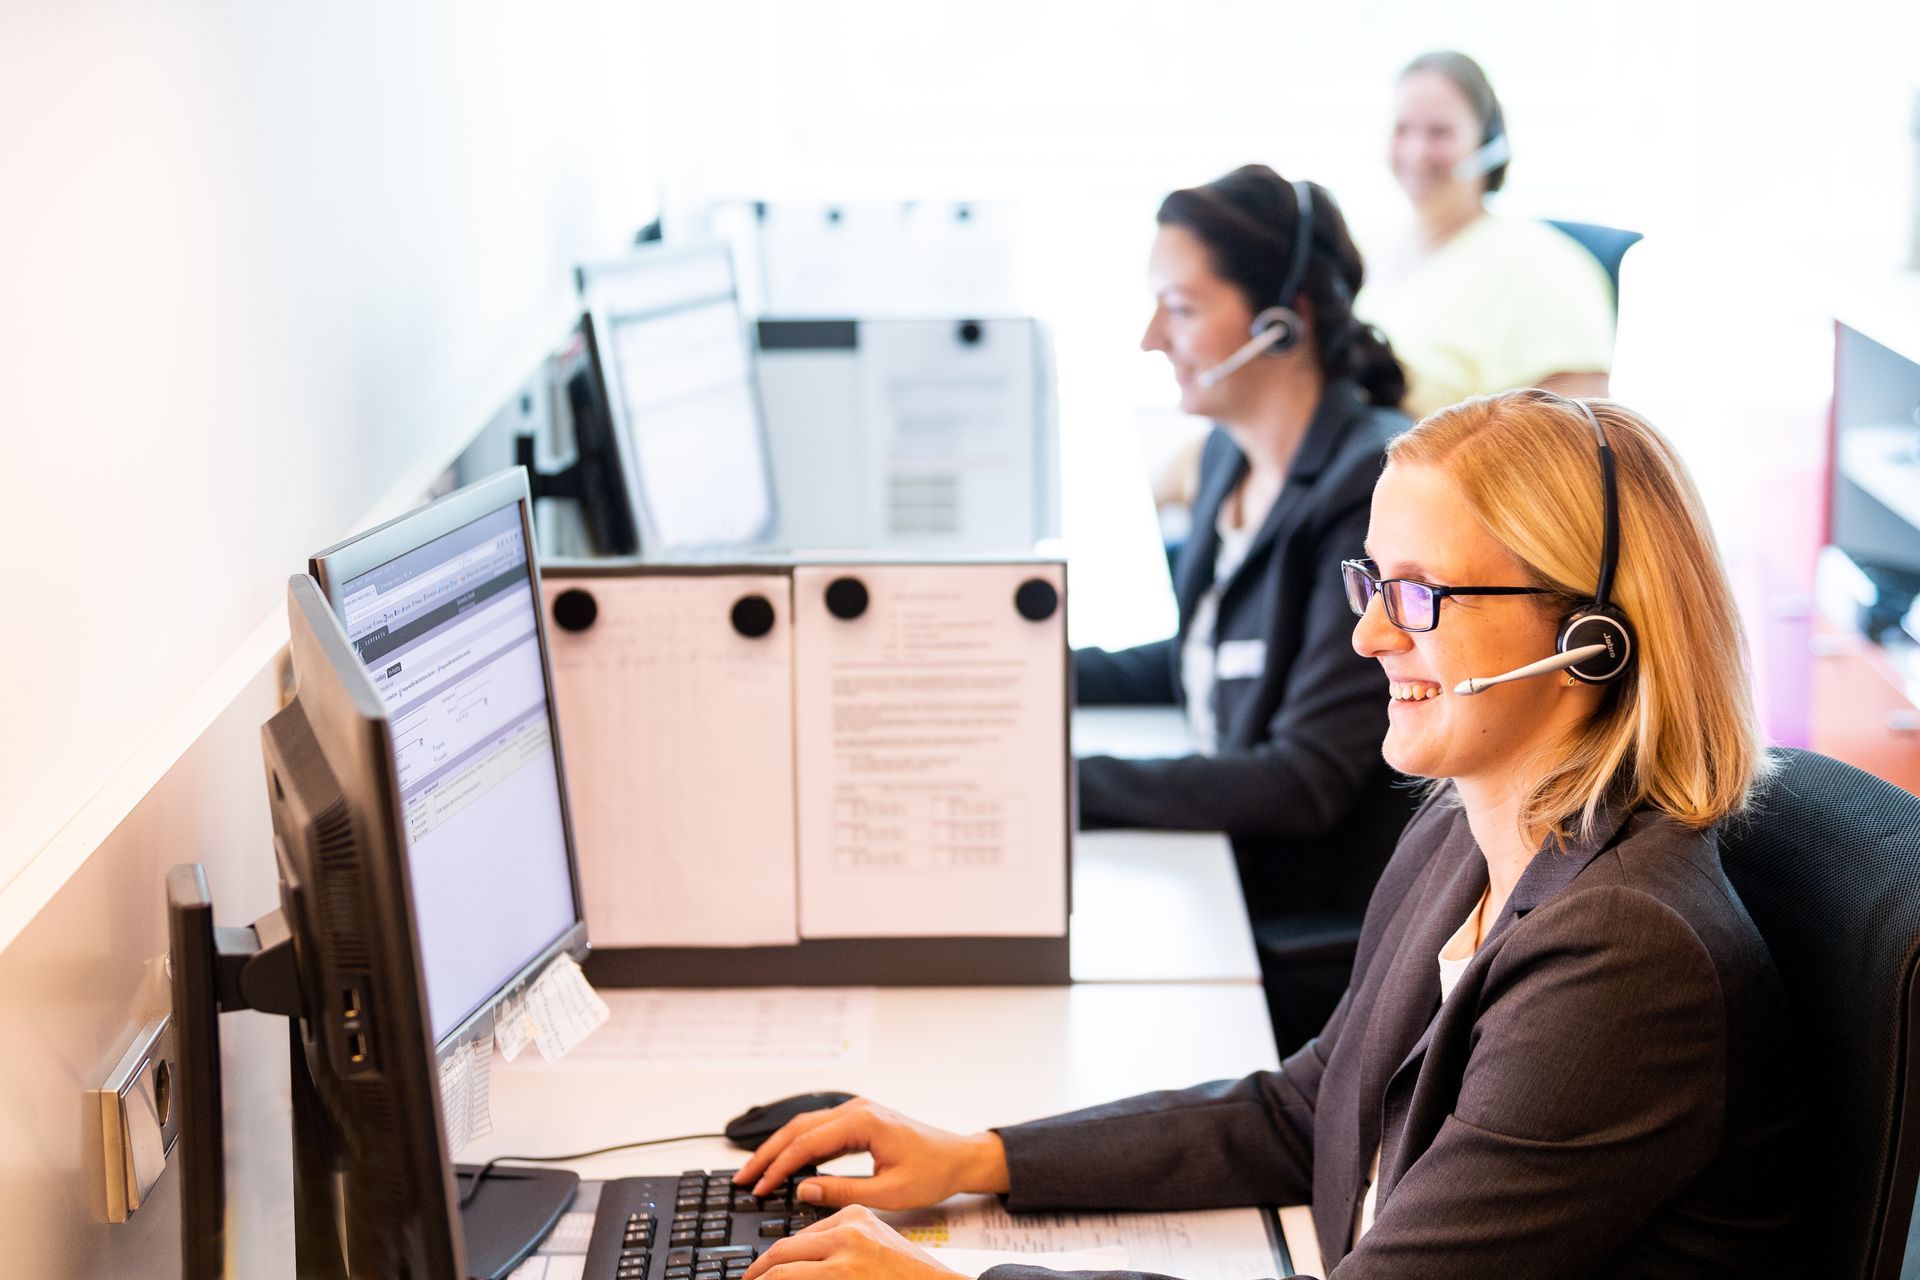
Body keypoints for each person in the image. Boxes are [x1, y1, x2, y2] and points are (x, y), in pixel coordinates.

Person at [729, 391, 1801, 1278]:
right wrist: (979, 1154)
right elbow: (1306, 1108)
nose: (1368, 631)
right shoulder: (1466, 834)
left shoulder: (1627, 953)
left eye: (1419, 594)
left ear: (1589, 636)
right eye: (1372, 579)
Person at [1077, 166, 1416, 1034]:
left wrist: (1060, 786)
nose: (1153, 337)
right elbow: (1200, 657)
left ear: (1281, 321)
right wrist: (1027, 675)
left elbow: (1305, 781)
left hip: (1304, 927)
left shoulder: (1366, 493)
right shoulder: (1229, 458)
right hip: (1222, 878)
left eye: (1181, 308)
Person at [1357, 51, 1618, 420]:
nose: (1416, 152)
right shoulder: (1364, 250)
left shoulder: (1545, 267)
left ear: (1488, 141)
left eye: (1440, 132)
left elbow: (1576, 443)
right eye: (1402, 130)